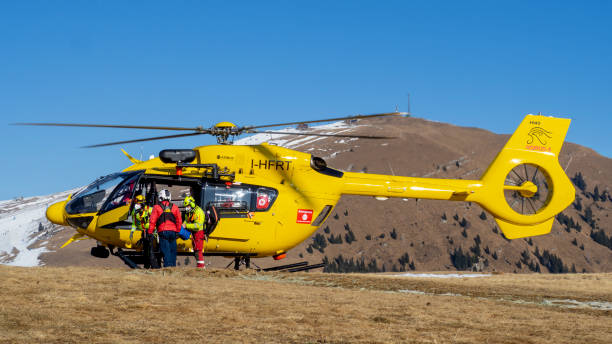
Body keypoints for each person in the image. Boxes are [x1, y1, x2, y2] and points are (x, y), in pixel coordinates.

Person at [148, 189, 182, 267]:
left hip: (163, 232)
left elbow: (152, 221)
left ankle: (167, 269)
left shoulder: (157, 207)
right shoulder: (175, 207)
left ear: (160, 197)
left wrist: (150, 232)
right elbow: (179, 220)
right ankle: (173, 269)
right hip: (173, 232)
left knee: (166, 252)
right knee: (173, 251)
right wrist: (177, 231)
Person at [129, 194, 156, 269]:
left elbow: (156, 219)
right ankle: (146, 265)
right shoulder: (134, 212)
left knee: (150, 249)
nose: (136, 205)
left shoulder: (150, 210)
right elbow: (134, 223)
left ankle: (154, 265)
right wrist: (132, 231)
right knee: (145, 250)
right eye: (136, 203)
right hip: (143, 233)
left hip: (150, 232)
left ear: (142, 204)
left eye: (138, 203)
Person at [182, 196, 206, 269]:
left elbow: (198, 225)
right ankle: (200, 266)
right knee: (195, 250)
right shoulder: (189, 212)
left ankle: (201, 267)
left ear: (192, 204)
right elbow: (186, 220)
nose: (187, 208)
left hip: (199, 232)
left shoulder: (199, 212)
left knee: (198, 250)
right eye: (186, 206)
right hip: (194, 233)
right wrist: (183, 225)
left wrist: (186, 226)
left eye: (188, 206)